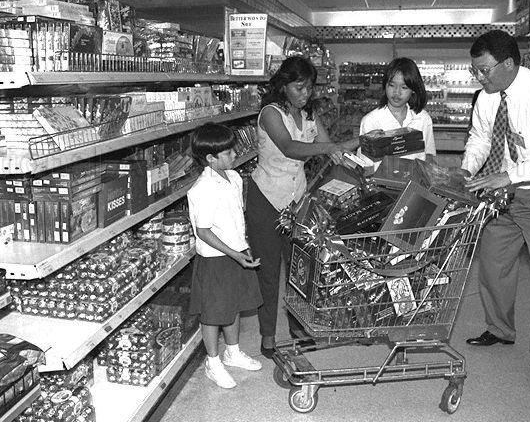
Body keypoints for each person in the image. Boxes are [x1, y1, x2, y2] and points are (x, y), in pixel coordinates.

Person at [461, 30, 530, 388]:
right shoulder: (487, 98)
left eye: (484, 70)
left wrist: (510, 176)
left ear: (508, 63)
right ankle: (500, 329)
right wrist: (467, 168)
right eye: (475, 71)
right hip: (502, 197)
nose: (480, 78)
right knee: (493, 266)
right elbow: (480, 138)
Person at [245, 56, 360, 358]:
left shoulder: (309, 115)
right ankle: (267, 336)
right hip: (265, 200)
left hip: (296, 201)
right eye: (299, 87)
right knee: (269, 272)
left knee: (300, 271)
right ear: (283, 86)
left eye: (309, 87)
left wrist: (357, 148)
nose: (305, 93)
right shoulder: (271, 113)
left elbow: (327, 144)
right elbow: (290, 147)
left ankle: (298, 330)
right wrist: (331, 148)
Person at [187, 123, 264, 389]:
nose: (235, 153)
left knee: (235, 304)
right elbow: (204, 231)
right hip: (216, 258)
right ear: (210, 158)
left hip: (236, 251)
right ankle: (213, 362)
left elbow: (235, 219)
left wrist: (244, 246)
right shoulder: (203, 188)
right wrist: (235, 254)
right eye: (228, 151)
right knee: (213, 312)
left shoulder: (234, 178)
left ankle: (232, 352)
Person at [358, 57, 436, 165]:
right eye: (391, 85)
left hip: (415, 180)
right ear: (385, 85)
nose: (396, 93)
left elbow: (429, 155)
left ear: (413, 89)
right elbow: (365, 166)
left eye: (404, 87)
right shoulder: (371, 121)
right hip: (382, 182)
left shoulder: (422, 118)